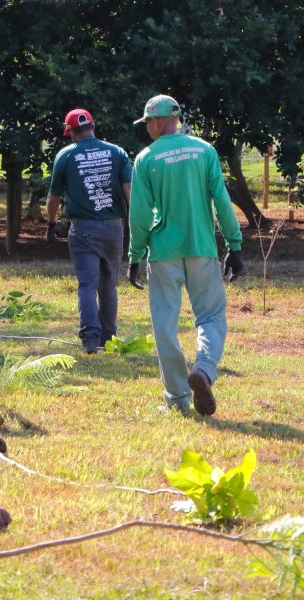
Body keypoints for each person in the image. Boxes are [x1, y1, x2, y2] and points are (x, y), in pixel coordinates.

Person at [127, 94, 244, 415]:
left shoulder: (147, 158)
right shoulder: (204, 151)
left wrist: (135, 254)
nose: (147, 127)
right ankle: (204, 371)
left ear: (163, 120)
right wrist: (234, 245)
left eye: (149, 121)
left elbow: (139, 213)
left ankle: (178, 397)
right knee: (211, 317)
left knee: (164, 325)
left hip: (163, 252)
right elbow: (221, 200)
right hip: (202, 248)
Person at [46, 108, 132, 354]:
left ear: (71, 131)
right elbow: (130, 192)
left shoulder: (66, 155)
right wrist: (136, 225)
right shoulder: (117, 153)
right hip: (114, 227)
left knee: (87, 284)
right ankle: (109, 337)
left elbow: (53, 198)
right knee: (109, 284)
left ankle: (90, 339)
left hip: (83, 228)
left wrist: (51, 223)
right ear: (92, 127)